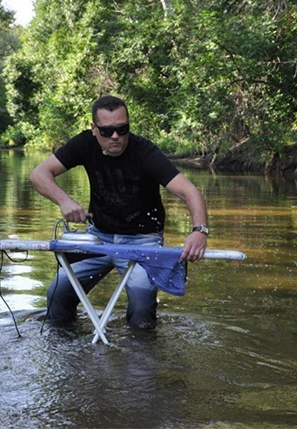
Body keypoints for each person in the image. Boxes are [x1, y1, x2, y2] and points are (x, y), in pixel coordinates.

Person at [30, 95, 209, 329]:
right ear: (94, 129)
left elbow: (189, 191)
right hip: (98, 237)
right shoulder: (84, 144)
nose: (115, 136)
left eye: (122, 129)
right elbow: (38, 174)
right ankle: (67, 353)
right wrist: (64, 201)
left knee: (142, 304)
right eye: (107, 131)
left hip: (143, 241)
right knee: (58, 293)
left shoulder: (144, 151)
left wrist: (200, 231)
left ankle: (141, 354)